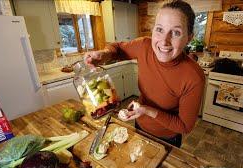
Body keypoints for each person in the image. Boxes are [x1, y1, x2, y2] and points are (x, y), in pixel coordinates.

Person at [84, 0, 205, 147]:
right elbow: (118, 48)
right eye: (160, 29)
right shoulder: (144, 46)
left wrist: (147, 110)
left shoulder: (194, 77)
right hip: (139, 126)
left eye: (176, 32)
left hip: (166, 139)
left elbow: (185, 126)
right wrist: (104, 54)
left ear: (189, 37)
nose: (164, 41)